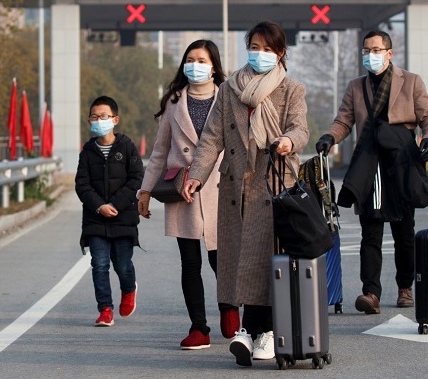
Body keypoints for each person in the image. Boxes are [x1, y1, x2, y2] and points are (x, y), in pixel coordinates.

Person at [182, 21, 308, 367]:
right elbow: (212, 137)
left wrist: (288, 140)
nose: (260, 54)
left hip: (274, 184)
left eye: (268, 49)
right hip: (236, 186)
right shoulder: (230, 89)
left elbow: (301, 128)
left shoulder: (291, 89)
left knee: (264, 258)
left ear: (280, 53)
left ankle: (261, 332)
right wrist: (196, 175)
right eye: (254, 46)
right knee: (241, 260)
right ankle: (252, 333)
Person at [316, 29, 428, 315]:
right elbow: (344, 120)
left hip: (403, 162)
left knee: (404, 231)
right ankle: (370, 292)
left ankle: (405, 287)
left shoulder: (411, 81)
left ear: (389, 53)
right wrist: (330, 137)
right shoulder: (356, 86)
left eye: (375, 50)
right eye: (366, 51)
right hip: (369, 164)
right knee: (370, 231)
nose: (370, 55)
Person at [137, 39, 240, 350]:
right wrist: (145, 190)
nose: (195, 65)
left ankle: (229, 308)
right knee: (189, 262)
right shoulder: (173, 101)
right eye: (190, 59)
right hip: (182, 188)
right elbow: (160, 151)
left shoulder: (229, 95)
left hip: (220, 187)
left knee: (221, 259)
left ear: (214, 66)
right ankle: (199, 328)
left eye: (202, 59)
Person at [75, 95, 143, 327]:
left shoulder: (127, 146)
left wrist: (115, 204)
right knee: (100, 264)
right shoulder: (87, 152)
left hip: (123, 217)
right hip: (95, 219)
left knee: (123, 265)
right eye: (94, 117)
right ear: (89, 122)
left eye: (103, 116)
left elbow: (136, 179)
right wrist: (99, 206)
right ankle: (105, 309)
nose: (99, 120)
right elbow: (81, 185)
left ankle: (128, 288)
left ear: (115, 120)